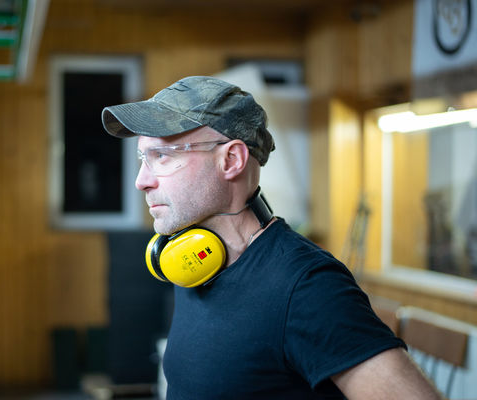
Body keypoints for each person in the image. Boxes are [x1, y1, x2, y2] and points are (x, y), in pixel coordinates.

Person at [101, 76, 443, 399]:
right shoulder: (191, 265)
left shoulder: (307, 287)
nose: (141, 181)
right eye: (143, 157)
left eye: (162, 156)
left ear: (231, 160)